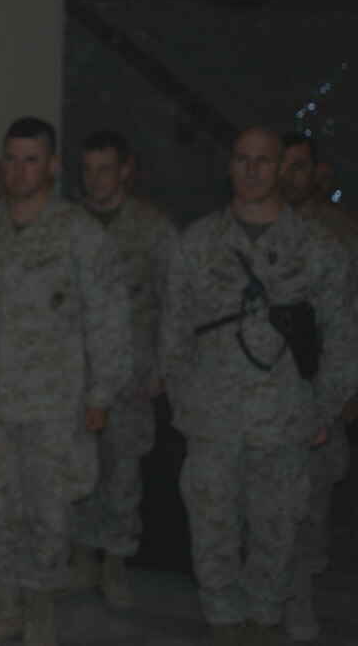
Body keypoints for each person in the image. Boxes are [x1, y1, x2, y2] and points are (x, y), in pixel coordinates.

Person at [160, 126, 357, 646]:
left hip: (286, 422)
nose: (252, 170)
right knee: (212, 540)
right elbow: (174, 335)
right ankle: (225, 630)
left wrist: (325, 408)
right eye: (242, 160)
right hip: (212, 422)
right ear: (229, 168)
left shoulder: (319, 248)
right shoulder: (196, 244)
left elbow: (343, 335)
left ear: (282, 168)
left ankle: (262, 629)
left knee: (277, 539)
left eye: (264, 161)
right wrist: (190, 407)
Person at [0, 117, 131, 645]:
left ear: (51, 166)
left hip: (57, 403)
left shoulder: (79, 234)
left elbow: (108, 319)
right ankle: (4, 607)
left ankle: (40, 611)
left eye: (31, 160)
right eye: (11, 159)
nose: (18, 170)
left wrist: (101, 394)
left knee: (49, 515)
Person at [69, 130, 177, 609]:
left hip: (130, 374)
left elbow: (174, 301)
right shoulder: (66, 224)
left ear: (125, 170)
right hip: (71, 375)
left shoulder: (152, 227)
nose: (96, 180)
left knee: (122, 474)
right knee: (77, 471)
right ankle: (81, 560)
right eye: (88, 169)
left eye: (105, 169)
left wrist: (162, 367)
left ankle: (114, 565)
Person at [278, 131, 358, 641]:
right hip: (259, 395)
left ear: (318, 173)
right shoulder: (255, 229)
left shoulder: (342, 235)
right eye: (280, 166)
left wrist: (348, 394)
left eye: (299, 167)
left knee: (313, 502)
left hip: (322, 392)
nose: (288, 176)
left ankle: (301, 592)